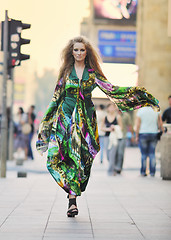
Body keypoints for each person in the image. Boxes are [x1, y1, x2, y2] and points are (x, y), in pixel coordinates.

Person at [36, 36, 159, 217]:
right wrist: (45, 126)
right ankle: (72, 194)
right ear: (71, 52)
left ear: (87, 52)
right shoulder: (65, 73)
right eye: (76, 50)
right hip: (66, 121)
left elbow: (112, 90)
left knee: (81, 162)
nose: (78, 53)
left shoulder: (93, 73)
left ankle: (73, 199)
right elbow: (56, 99)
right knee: (54, 159)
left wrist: (139, 95)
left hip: (86, 121)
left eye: (82, 50)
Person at [135, 107, 164, 177]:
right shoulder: (156, 110)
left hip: (143, 134)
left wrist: (136, 136)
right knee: (152, 154)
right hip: (153, 133)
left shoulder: (140, 111)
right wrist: (162, 131)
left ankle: (143, 172)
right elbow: (160, 123)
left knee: (144, 154)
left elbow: (138, 124)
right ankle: (152, 172)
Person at [101, 103, 122, 175]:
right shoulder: (105, 117)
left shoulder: (118, 117)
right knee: (108, 154)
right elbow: (101, 128)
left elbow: (121, 127)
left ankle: (111, 171)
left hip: (114, 137)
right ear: (108, 108)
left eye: (113, 107)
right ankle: (114, 167)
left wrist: (115, 127)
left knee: (113, 154)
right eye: (110, 107)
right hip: (107, 137)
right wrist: (108, 129)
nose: (112, 109)